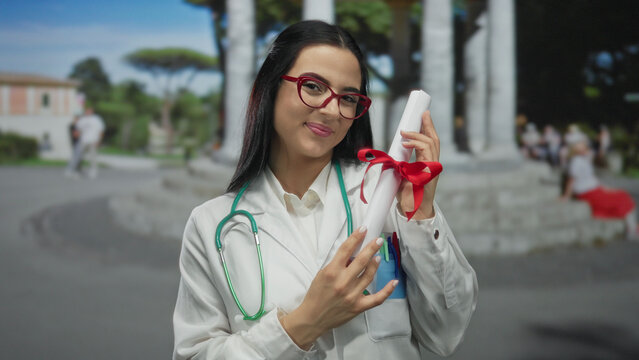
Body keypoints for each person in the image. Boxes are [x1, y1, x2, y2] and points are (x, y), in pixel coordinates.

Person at [173, 21, 477, 359]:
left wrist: (420, 216)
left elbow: (446, 333)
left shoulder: (387, 192)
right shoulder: (212, 225)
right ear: (270, 89)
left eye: (348, 98)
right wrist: (304, 324)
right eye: (313, 86)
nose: (332, 110)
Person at [561, 137, 637, 240]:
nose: (585, 147)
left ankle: (632, 228)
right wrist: (566, 196)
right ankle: (632, 229)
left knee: (622, 195)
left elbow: (591, 178)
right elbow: (571, 180)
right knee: (622, 197)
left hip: (594, 189)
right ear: (575, 148)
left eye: (584, 145)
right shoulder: (576, 161)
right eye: (581, 145)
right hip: (588, 192)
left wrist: (605, 188)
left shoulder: (582, 159)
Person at [65, 106, 105, 178]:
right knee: (77, 155)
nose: (88, 112)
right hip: (83, 140)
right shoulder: (82, 120)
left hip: (93, 140)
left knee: (93, 157)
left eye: (90, 111)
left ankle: (93, 171)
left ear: (92, 112)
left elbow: (101, 131)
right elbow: (77, 130)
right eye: (87, 111)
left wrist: (99, 140)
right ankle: (72, 170)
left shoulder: (96, 120)